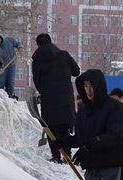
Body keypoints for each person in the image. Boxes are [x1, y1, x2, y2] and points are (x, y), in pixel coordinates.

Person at [32, 33, 80, 164]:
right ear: (51, 42)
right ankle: (67, 154)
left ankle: (56, 156)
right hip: (66, 98)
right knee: (64, 127)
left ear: (38, 45)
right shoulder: (64, 55)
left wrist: (44, 92)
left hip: (49, 99)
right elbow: (76, 71)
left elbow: (37, 82)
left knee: (51, 127)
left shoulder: (37, 61)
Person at [0, 31, 23, 97]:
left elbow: (17, 43)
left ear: (0, 36)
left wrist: (20, 47)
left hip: (12, 64)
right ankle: (1, 96)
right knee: (2, 81)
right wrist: (1, 67)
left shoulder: (9, 39)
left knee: (11, 81)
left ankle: (10, 96)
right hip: (4, 67)